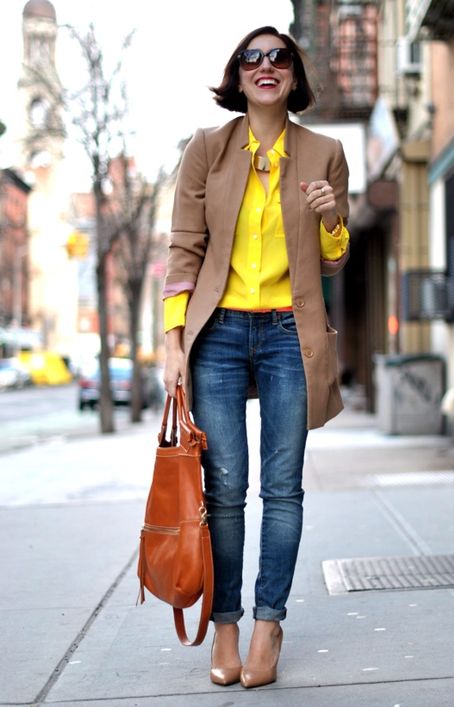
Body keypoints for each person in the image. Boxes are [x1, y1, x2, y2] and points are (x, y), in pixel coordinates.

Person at [163, 25, 350, 689]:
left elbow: (335, 260)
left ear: (295, 76)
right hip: (217, 333)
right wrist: (173, 338)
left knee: (282, 486)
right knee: (225, 489)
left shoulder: (325, 153)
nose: (266, 66)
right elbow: (184, 251)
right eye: (253, 57)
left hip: (286, 334)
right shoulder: (206, 151)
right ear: (238, 75)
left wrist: (332, 220)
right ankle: (226, 623)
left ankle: (269, 621)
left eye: (279, 57)